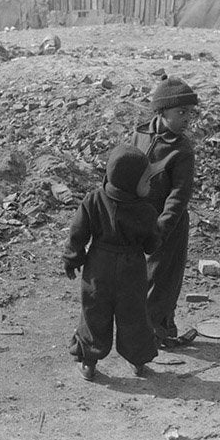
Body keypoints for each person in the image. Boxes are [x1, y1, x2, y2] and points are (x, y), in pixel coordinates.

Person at [63, 144, 160, 382]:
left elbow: (78, 233)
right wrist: (157, 236)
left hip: (98, 267)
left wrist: (73, 257)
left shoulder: (94, 199)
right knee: (133, 313)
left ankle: (88, 359)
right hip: (132, 269)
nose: (151, 185)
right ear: (129, 182)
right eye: (147, 180)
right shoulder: (145, 211)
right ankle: (136, 358)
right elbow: (151, 244)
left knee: (94, 311)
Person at [132, 77, 200, 348]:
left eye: (190, 113)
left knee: (165, 279)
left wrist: (161, 228)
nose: (187, 119)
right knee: (138, 277)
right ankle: (147, 330)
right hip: (138, 218)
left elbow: (179, 195)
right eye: (181, 113)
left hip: (169, 225)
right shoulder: (140, 135)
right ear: (161, 112)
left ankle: (159, 331)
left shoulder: (182, 149)